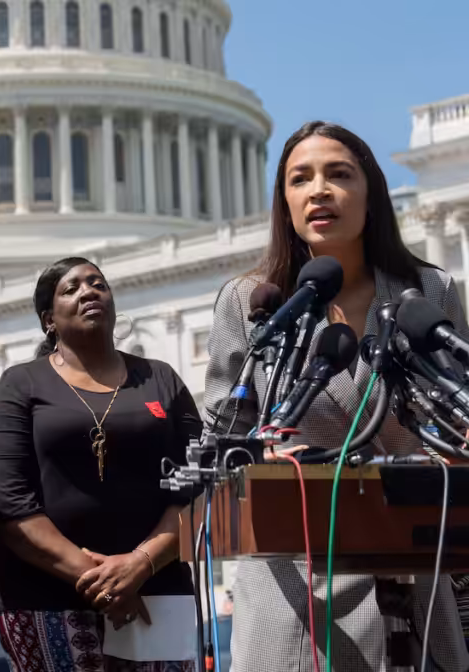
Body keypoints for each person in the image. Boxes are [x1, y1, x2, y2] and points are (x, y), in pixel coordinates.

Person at [204, 121, 469, 672]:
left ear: (371, 195)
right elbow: (224, 428)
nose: (318, 190)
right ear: (286, 203)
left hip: (408, 561)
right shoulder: (250, 302)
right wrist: (261, 453)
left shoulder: (430, 292)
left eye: (338, 175)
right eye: (300, 179)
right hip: (294, 575)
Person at [0, 257, 199, 672]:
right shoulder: (21, 384)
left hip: (157, 587)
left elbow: (199, 483)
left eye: (98, 283)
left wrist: (140, 564)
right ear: (49, 319)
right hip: (44, 596)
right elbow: (7, 500)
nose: (89, 291)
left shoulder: (161, 378)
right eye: (72, 288)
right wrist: (104, 583)